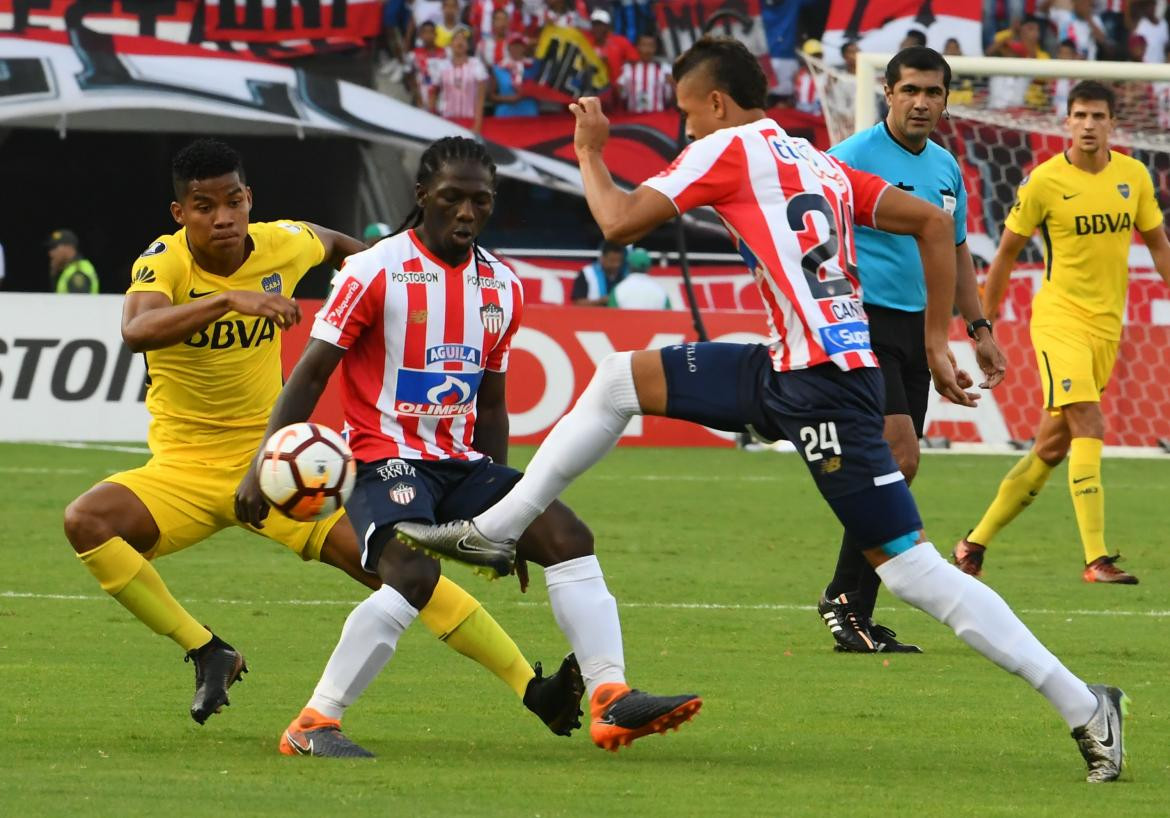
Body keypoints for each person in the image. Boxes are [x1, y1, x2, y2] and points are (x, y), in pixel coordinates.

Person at [396, 37, 1129, 783]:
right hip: (789, 367)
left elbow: (616, 221)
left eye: (687, 115)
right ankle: (499, 528)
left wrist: (592, 150)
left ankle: (1083, 702)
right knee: (620, 378)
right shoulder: (817, 159)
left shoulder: (730, 150)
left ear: (715, 103)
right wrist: (940, 340)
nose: (684, 132)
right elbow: (934, 225)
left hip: (825, 389)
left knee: (911, 572)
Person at [62, 138, 582, 741]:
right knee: (87, 522)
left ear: (249, 198)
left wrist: (378, 276)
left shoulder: (284, 241)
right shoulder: (165, 262)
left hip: (283, 465)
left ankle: (533, 689)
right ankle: (207, 651)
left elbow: (341, 247)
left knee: (400, 573)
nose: (223, 216)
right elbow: (136, 329)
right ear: (180, 214)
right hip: (181, 471)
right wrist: (232, 299)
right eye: (204, 206)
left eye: (234, 200)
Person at [235, 136, 701, 756]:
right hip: (384, 459)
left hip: (462, 464)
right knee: (413, 573)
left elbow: (491, 402)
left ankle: (611, 698)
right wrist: (260, 465)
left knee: (568, 539)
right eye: (451, 198)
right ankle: (314, 723)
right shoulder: (372, 270)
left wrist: (505, 522)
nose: (466, 212)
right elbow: (311, 374)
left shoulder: (503, 286)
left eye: (480, 201)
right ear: (423, 195)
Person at [812, 47, 1008, 654]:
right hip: (859, 322)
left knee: (900, 465)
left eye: (933, 92)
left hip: (916, 329)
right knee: (896, 452)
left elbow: (956, 255)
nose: (921, 102)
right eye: (910, 90)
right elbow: (808, 238)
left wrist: (979, 330)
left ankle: (851, 605)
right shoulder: (846, 160)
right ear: (889, 94)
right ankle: (845, 602)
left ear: (946, 100)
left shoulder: (947, 169)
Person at [954, 80, 1170, 586]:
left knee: (1051, 448)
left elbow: (1158, 244)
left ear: (1114, 123)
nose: (1089, 125)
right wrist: (984, 327)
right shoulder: (1043, 182)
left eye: (1098, 116)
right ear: (1067, 122)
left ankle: (973, 543)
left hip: (1106, 328)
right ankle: (1096, 558)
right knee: (1090, 425)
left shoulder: (1133, 176)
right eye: (1080, 116)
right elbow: (1006, 253)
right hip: (1058, 322)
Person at [432, 27, 489, 133]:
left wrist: (477, 124)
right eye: (456, 39)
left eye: (464, 39)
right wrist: (432, 118)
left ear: (468, 45)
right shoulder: (441, 65)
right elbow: (434, 93)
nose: (460, 42)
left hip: (469, 120)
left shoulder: (476, 64)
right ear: (450, 44)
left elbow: (480, 99)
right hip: (446, 120)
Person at [616, 33, 673, 114]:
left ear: (655, 48)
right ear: (637, 47)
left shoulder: (665, 68)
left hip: (658, 117)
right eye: (643, 45)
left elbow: (670, 97)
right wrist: (619, 88)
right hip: (634, 119)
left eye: (651, 46)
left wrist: (673, 84)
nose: (647, 50)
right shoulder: (628, 68)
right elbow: (622, 95)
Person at [585, 9, 638, 87]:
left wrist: (622, 80)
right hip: (593, 89)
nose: (597, 28)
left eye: (600, 25)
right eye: (594, 24)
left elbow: (635, 62)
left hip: (616, 88)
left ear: (607, 26)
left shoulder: (620, 42)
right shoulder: (586, 42)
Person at [489, 34, 539, 117]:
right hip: (505, 114)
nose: (517, 49)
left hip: (529, 113)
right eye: (514, 45)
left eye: (520, 46)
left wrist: (527, 92)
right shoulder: (499, 68)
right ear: (508, 48)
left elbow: (542, 90)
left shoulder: (534, 66)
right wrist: (510, 99)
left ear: (524, 48)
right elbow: (491, 96)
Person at [571, 240, 627, 305]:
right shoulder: (587, 273)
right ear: (602, 258)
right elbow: (577, 303)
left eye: (619, 261)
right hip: (593, 314)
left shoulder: (625, 276)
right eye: (612, 261)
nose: (616, 265)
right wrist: (600, 301)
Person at [46, 228, 99, 294]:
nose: (51, 253)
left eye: (54, 247)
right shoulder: (69, 269)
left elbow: (79, 303)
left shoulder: (78, 272)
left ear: (69, 247)